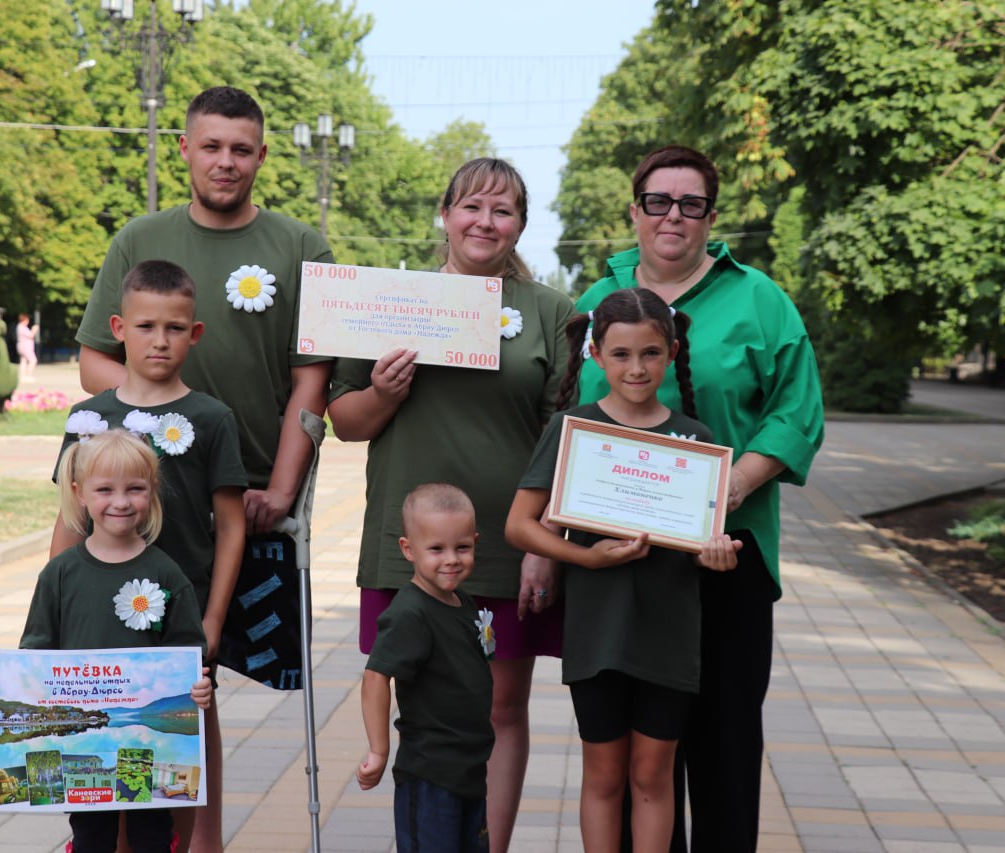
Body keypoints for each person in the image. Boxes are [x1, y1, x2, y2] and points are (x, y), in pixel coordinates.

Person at [574, 145, 824, 851]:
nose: (673, 215)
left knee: (722, 744)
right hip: (622, 564)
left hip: (727, 555)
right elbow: (560, 417)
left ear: (712, 216)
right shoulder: (597, 301)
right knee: (631, 761)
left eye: (691, 203)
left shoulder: (759, 299)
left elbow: (796, 411)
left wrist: (730, 486)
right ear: (635, 209)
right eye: (659, 201)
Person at [329, 158, 575, 851]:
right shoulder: (390, 300)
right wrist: (383, 390)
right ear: (445, 214)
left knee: (497, 707)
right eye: (471, 207)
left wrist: (543, 543)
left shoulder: (550, 311)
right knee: (421, 708)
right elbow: (345, 420)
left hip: (504, 543)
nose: (484, 222)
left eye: (502, 211)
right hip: (407, 544)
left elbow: (566, 437)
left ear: (521, 225)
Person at [75, 86, 332, 696]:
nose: (226, 161)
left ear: (262, 156)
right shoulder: (137, 240)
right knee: (144, 682)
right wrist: (170, 411)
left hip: (249, 504)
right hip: (147, 495)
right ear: (184, 149)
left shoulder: (302, 247)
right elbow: (92, 364)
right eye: (211, 146)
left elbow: (312, 378)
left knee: (200, 680)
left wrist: (280, 490)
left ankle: (196, 798)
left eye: (241, 150)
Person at [505, 288, 741, 850]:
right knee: (606, 776)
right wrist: (585, 556)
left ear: (672, 352)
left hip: (668, 634)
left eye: (651, 354)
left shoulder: (697, 442)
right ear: (595, 354)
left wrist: (719, 556)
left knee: (653, 777)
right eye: (621, 354)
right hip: (598, 633)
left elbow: (705, 542)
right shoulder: (572, 431)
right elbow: (520, 525)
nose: (637, 368)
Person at [53, 260, 247, 851]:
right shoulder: (89, 420)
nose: (159, 340)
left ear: (196, 333)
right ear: (118, 327)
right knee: (101, 748)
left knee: (171, 755)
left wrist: (212, 619)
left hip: (175, 626)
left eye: (174, 327)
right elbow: (67, 518)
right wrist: (52, 607)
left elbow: (232, 527)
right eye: (145, 326)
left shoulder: (213, 419)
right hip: (96, 626)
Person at [0, 429, 212, 853]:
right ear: (79, 493)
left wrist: (200, 687)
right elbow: (36, 657)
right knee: (91, 835)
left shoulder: (168, 574)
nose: (120, 501)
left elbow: (189, 656)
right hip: (78, 745)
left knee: (151, 833)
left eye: (135, 488)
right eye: (105, 489)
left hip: (145, 746)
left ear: (151, 491)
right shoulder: (60, 575)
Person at [357, 483, 495, 852]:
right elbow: (375, 676)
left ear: (475, 542)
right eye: (436, 549)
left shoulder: (463, 603)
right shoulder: (410, 613)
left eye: (462, 547)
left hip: (468, 769)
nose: (451, 559)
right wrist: (378, 750)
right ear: (409, 550)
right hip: (430, 775)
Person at [15, 313, 38, 381]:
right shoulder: (22, 327)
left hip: (22, 346)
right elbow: (31, 335)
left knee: (23, 361)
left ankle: (22, 376)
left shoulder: (19, 327)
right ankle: (28, 376)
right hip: (25, 347)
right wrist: (34, 329)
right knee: (33, 360)